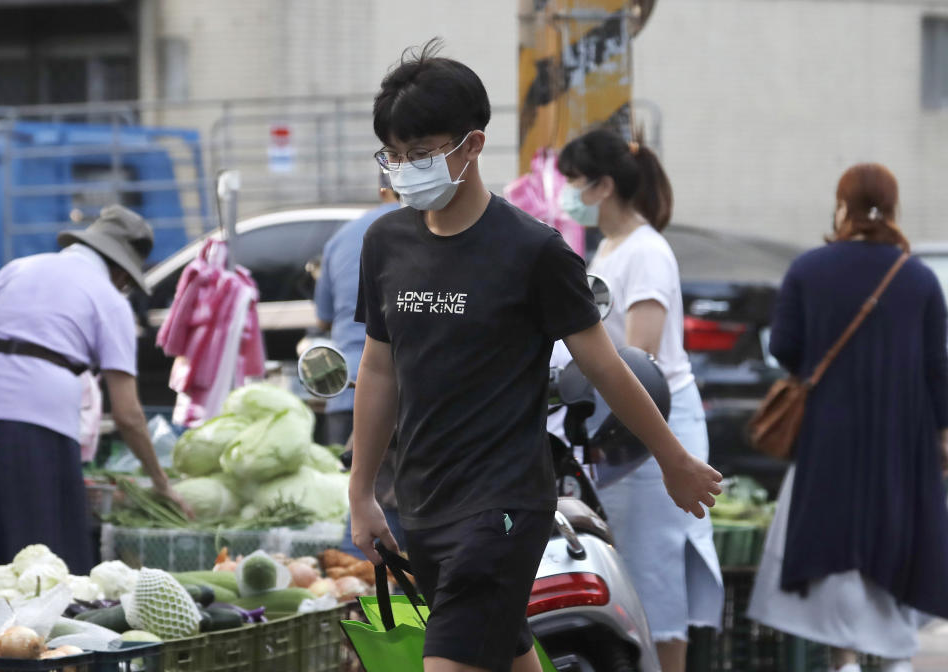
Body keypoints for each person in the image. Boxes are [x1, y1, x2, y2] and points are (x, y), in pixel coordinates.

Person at [351, 39, 722, 672]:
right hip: (422, 500)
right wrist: (361, 490)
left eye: (423, 154)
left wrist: (674, 458)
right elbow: (378, 368)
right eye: (395, 156)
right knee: (511, 651)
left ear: (472, 145)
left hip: (502, 506)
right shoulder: (385, 242)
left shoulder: (533, 251)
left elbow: (607, 364)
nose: (406, 169)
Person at [747, 163, 948, 672]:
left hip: (829, 433)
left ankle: (846, 661)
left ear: (842, 206)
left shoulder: (808, 269)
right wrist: (943, 433)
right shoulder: (920, 279)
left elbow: (786, 349)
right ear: (892, 208)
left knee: (835, 540)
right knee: (897, 537)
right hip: (904, 437)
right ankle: (897, 659)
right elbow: (937, 368)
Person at [557, 128, 724, 672]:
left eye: (575, 182)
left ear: (603, 186)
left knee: (655, 571)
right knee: (630, 564)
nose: (568, 194)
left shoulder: (647, 252)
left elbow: (640, 359)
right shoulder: (608, 247)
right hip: (619, 425)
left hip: (650, 424)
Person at [0, 205, 190, 573]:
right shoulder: (109, 299)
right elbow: (128, 415)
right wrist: (161, 482)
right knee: (43, 555)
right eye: (127, 280)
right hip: (40, 423)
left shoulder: (18, 268)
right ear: (119, 271)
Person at [314, 172, 405, 559]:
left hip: (342, 386)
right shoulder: (426, 234)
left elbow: (321, 318)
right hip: (400, 396)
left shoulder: (341, 238)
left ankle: (364, 601)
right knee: (396, 507)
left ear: (381, 187)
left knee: (354, 509)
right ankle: (399, 601)